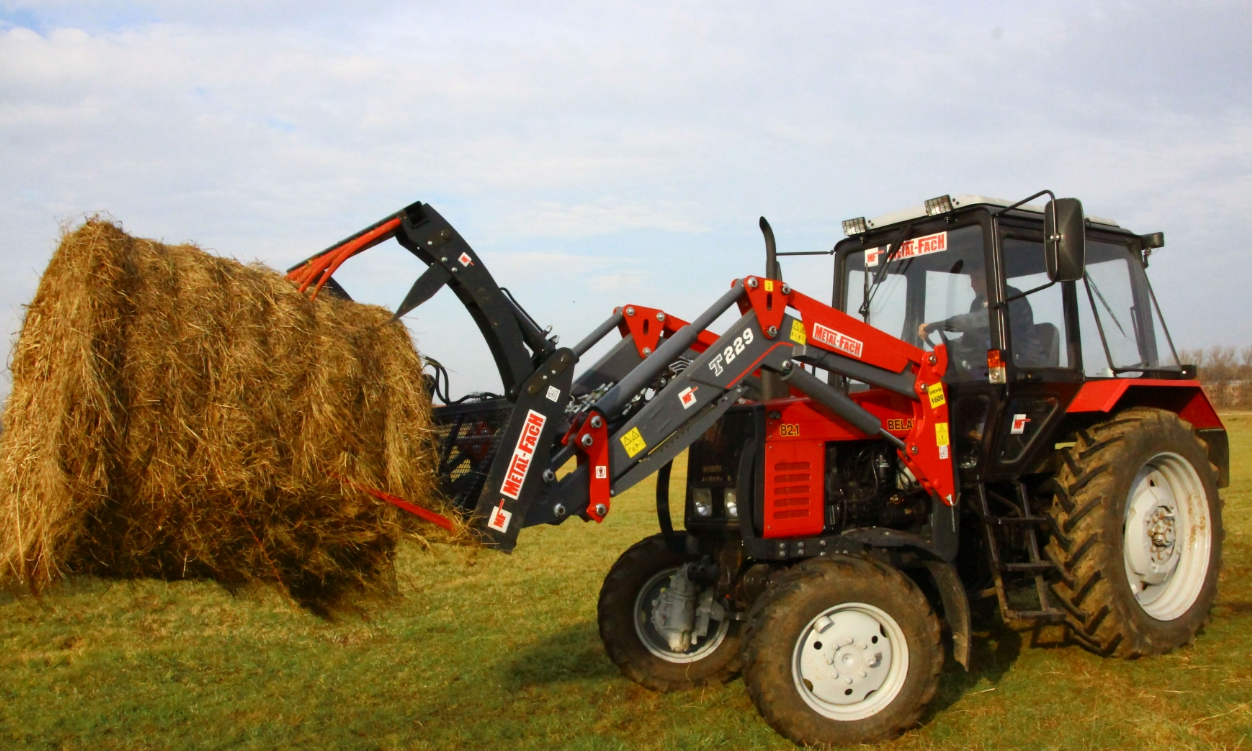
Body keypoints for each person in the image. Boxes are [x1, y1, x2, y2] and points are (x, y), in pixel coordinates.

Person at [916, 259, 1045, 369]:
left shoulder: (1011, 298)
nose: (972, 285)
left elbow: (982, 320)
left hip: (1024, 368)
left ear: (991, 278)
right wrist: (947, 346)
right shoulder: (977, 303)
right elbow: (970, 337)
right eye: (971, 280)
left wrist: (938, 325)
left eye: (976, 279)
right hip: (989, 366)